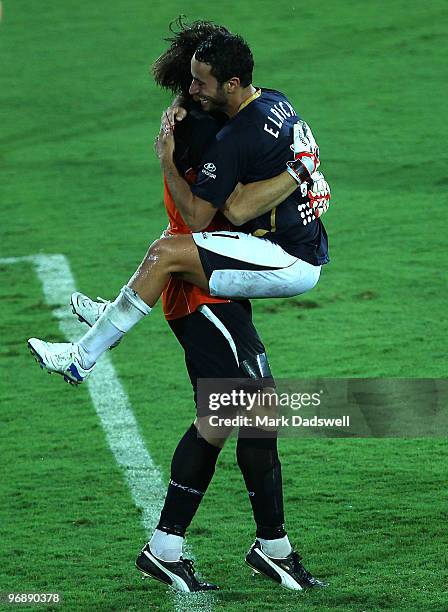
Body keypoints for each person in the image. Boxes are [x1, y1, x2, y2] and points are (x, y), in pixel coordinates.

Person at [61, 19, 328, 592]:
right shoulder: (211, 131)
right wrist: (298, 172)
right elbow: (213, 217)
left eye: (199, 82)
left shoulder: (215, 121)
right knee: (239, 417)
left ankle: (234, 546)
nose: (195, 92)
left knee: (241, 419)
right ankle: (195, 545)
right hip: (202, 293)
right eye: (194, 83)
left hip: (218, 285)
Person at [27, 30, 330, 387]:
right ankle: (112, 316)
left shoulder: (233, 138)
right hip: (296, 240)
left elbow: (215, 215)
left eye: (200, 82)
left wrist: (166, 158)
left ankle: (82, 357)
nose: (193, 89)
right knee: (171, 247)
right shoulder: (272, 100)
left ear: (231, 84)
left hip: (289, 259)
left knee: (167, 253)